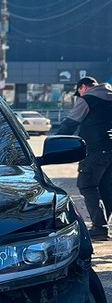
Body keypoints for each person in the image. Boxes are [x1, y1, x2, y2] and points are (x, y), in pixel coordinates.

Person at [52, 76, 112, 240]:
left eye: (79, 92)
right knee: (106, 188)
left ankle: (100, 228)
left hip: (94, 150)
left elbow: (70, 123)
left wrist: (55, 142)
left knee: (86, 185)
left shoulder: (88, 99)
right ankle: (102, 226)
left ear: (83, 87)